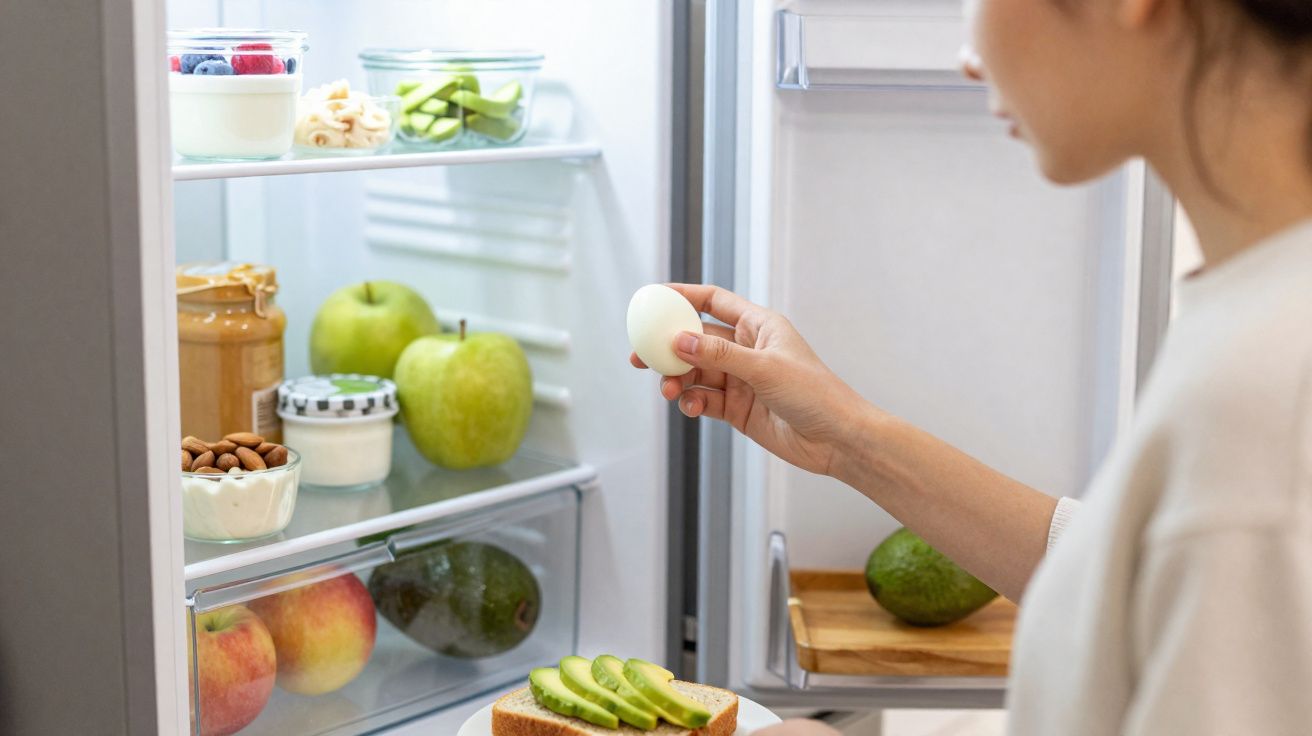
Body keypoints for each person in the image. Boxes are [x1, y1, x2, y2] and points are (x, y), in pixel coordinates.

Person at [632, 0, 1312, 732]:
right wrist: (847, 440)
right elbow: (1139, 581)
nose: (966, 50)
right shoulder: (1261, 320)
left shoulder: (1262, 407)